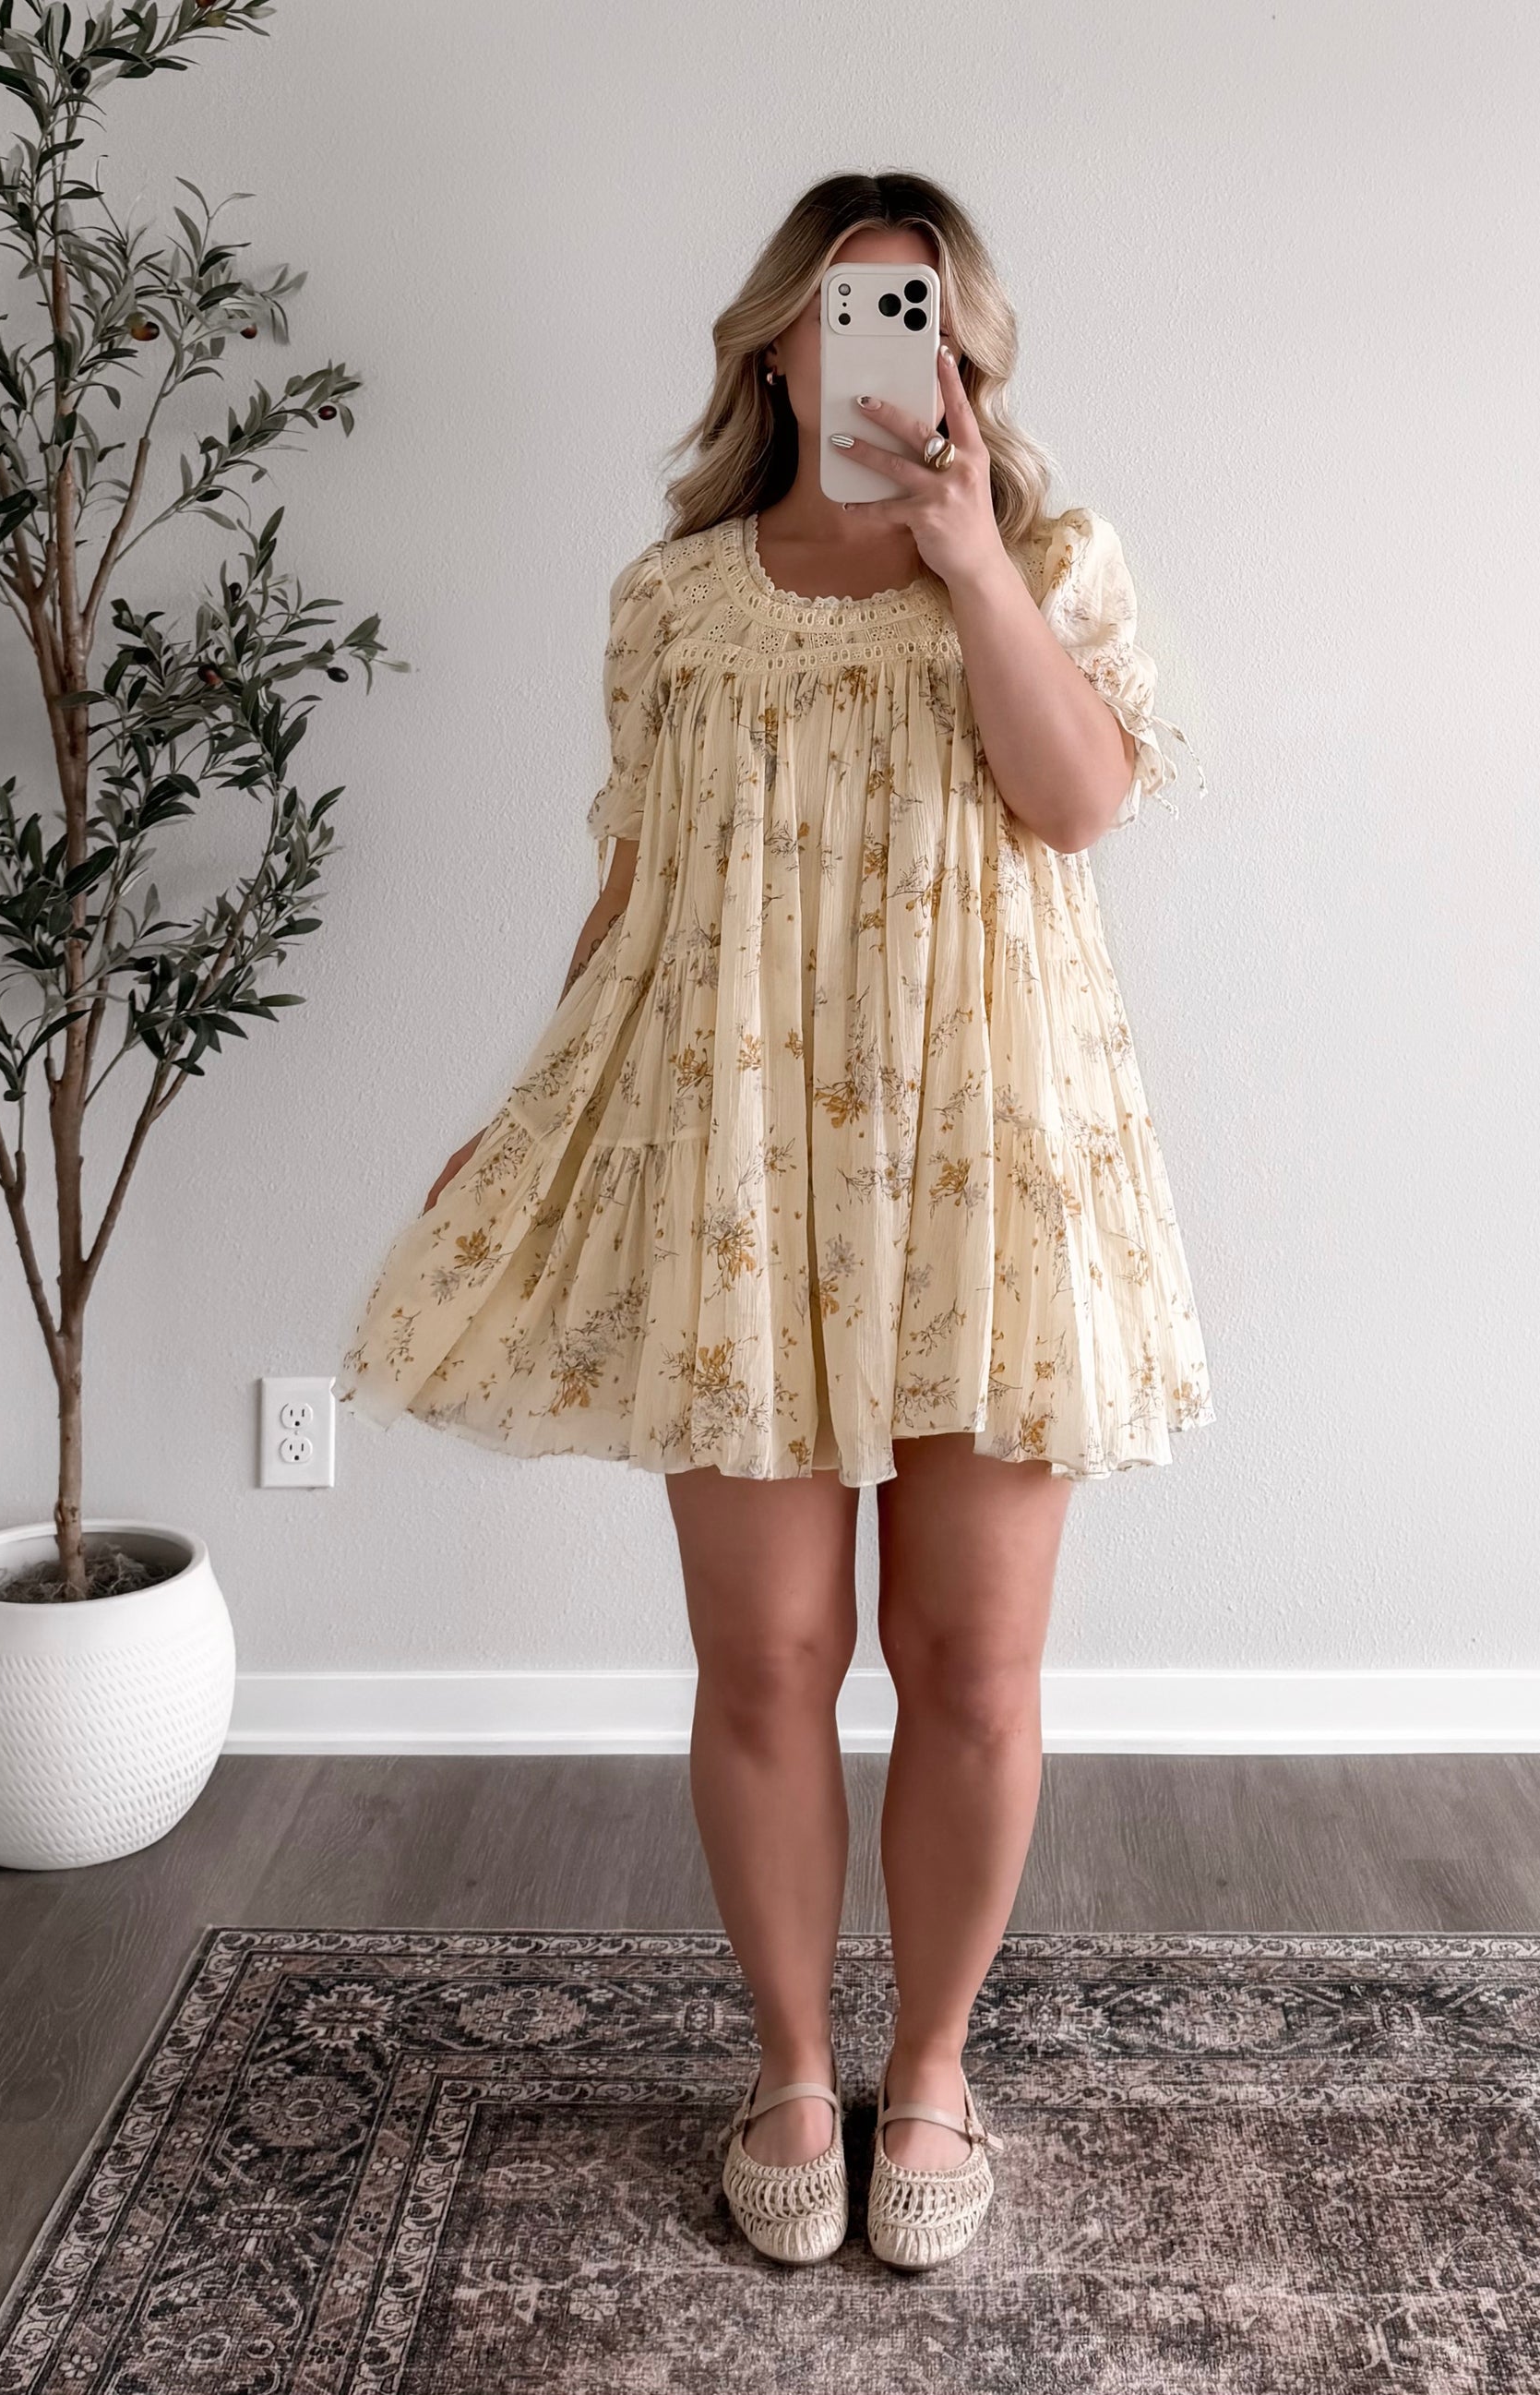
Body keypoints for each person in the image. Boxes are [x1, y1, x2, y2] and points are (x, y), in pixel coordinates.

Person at [336, 170, 1213, 2271]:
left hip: (988, 1163)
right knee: (769, 1657)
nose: (889, 349)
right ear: (776, 347)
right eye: (850, 309)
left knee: (970, 1666)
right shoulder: (673, 603)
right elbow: (635, 904)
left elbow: (1080, 800)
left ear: (967, 360)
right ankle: (790, 2067)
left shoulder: (1050, 561)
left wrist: (971, 563)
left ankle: (936, 2066)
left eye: (927, 319)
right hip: (742, 1168)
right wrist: (521, 1121)